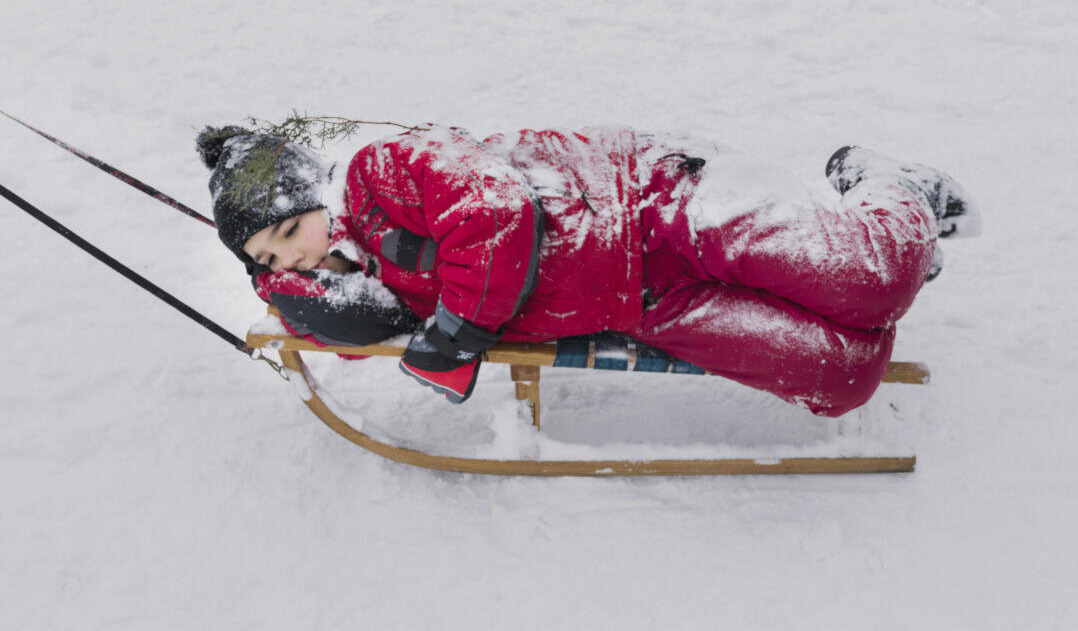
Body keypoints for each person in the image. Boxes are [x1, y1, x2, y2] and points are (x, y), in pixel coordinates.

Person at [197, 123, 980, 416]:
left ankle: (885, 188)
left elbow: (496, 209)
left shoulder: (381, 171)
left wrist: (461, 330)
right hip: (644, 305)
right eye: (272, 260)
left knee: (874, 280)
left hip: (653, 204)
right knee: (843, 376)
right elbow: (345, 322)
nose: (295, 255)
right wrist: (299, 298)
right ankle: (887, 247)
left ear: (315, 192)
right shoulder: (365, 279)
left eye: (292, 229)